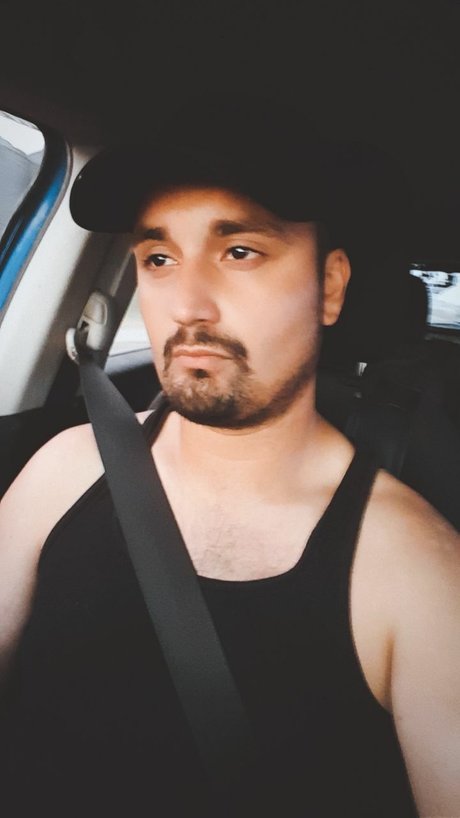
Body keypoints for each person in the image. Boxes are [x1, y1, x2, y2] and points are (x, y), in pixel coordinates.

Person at [0, 94, 459, 818]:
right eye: (158, 258)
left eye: (240, 252)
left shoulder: (415, 573)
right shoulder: (65, 469)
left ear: (330, 286)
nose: (188, 305)